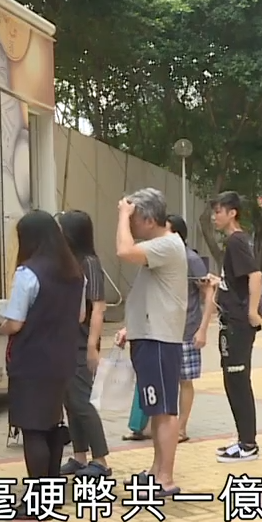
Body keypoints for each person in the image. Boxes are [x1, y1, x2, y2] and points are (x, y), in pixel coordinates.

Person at [0, 211, 85, 515]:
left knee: (33, 429)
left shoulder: (28, 273)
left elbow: (15, 322)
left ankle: (37, 502)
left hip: (31, 360)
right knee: (52, 424)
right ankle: (52, 495)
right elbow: (80, 315)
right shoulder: (75, 272)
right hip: (63, 358)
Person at [113, 188, 187, 496]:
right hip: (149, 335)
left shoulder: (166, 244)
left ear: (147, 219)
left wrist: (122, 213)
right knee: (157, 409)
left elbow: (123, 251)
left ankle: (165, 478)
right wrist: (130, 327)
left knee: (164, 410)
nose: (129, 226)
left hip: (159, 339)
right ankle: (157, 470)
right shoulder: (161, 246)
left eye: (133, 219)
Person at [208, 191, 262, 463]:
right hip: (231, 322)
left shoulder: (236, 241)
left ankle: (248, 444)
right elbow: (239, 280)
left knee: (238, 381)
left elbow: (256, 275)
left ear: (232, 213)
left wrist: (252, 312)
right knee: (233, 381)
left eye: (218, 211)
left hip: (238, 324)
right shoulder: (236, 241)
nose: (214, 217)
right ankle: (244, 439)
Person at [57, 211, 113, 477]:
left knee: (82, 401)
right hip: (67, 338)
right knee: (70, 400)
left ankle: (100, 459)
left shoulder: (89, 263)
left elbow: (98, 307)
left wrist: (92, 346)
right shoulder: (69, 261)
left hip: (82, 339)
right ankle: (80, 456)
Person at [166, 214, 212, 443]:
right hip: (163, 330)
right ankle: (160, 426)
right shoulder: (160, 257)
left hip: (186, 329)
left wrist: (203, 329)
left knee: (185, 380)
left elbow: (208, 294)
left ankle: (181, 428)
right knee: (165, 380)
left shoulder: (191, 259)